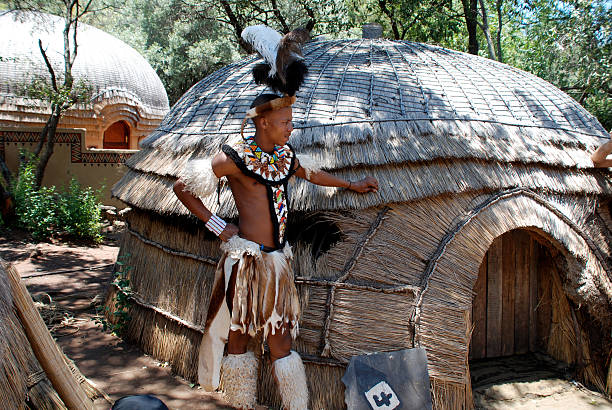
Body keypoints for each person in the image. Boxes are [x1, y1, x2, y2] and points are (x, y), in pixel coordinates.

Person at [173, 93, 378, 409]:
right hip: (247, 262)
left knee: (280, 341)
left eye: (291, 122)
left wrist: (352, 184)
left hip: (278, 263)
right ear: (263, 122)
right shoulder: (234, 158)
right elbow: (181, 187)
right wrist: (217, 225)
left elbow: (312, 174)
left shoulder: (284, 155)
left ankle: (297, 406)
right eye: (285, 122)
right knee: (239, 337)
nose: (291, 128)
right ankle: (242, 404)